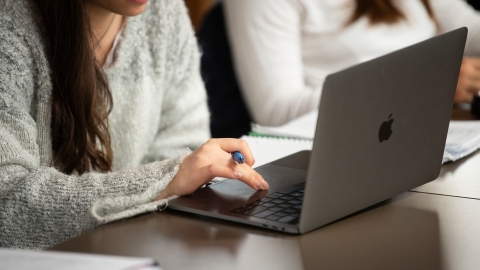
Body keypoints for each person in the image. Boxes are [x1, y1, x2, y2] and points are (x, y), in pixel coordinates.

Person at [0, 0, 269, 249]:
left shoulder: (162, 11)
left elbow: (182, 145)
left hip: (133, 248)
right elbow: (7, 203)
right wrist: (167, 178)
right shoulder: (8, 26)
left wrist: (175, 178)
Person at [224, 0, 480, 126]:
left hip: (430, 129)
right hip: (349, 146)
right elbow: (276, 110)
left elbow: (472, 31)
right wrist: (420, 86)